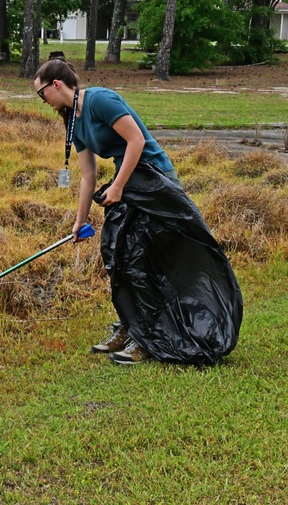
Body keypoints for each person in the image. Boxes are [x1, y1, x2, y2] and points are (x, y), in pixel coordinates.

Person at [32, 59, 243, 366]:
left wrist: (117, 187)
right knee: (123, 259)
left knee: (149, 261)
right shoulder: (72, 121)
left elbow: (137, 141)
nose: (43, 102)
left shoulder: (100, 100)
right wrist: (80, 220)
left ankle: (149, 339)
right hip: (131, 186)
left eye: (42, 94)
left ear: (57, 85)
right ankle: (132, 327)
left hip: (156, 183)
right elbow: (87, 176)